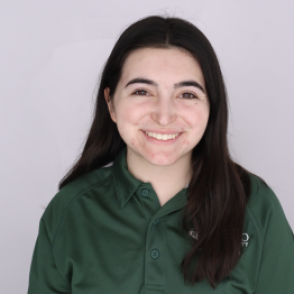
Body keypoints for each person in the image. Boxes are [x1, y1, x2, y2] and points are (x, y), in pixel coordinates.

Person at [27, 16, 294, 294]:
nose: (164, 116)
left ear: (211, 106)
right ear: (111, 103)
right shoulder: (69, 212)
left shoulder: (257, 207)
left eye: (187, 94)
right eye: (142, 91)